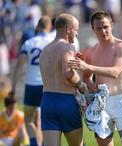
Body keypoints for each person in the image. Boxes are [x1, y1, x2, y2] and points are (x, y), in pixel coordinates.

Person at [68, 11, 122, 146]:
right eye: (99, 28)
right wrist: (88, 83)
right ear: (93, 29)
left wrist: (87, 66)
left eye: (105, 26)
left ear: (111, 25)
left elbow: (115, 72)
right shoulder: (92, 51)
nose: (103, 31)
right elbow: (86, 77)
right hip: (101, 104)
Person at [39, 13, 88, 146]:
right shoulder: (68, 47)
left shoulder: (45, 50)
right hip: (66, 101)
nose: (77, 33)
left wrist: (75, 63)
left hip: (47, 101)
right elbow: (67, 74)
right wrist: (81, 84)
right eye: (76, 29)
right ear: (68, 29)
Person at [11, 15, 52, 146]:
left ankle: (34, 143)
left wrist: (13, 87)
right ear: (49, 27)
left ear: (37, 27)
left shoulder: (29, 42)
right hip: (47, 85)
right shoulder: (52, 41)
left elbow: (18, 66)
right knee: (48, 120)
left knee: (28, 119)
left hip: (31, 85)